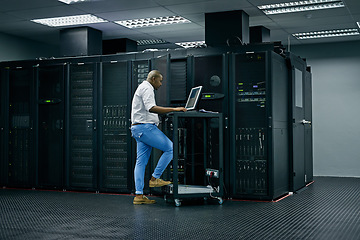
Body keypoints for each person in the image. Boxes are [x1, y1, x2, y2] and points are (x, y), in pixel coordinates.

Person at [130, 70, 187, 205]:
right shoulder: (147, 88)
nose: (161, 84)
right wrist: (174, 109)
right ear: (153, 78)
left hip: (138, 129)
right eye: (160, 81)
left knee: (141, 162)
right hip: (145, 128)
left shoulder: (142, 87)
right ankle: (155, 178)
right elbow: (151, 108)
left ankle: (139, 196)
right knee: (171, 148)